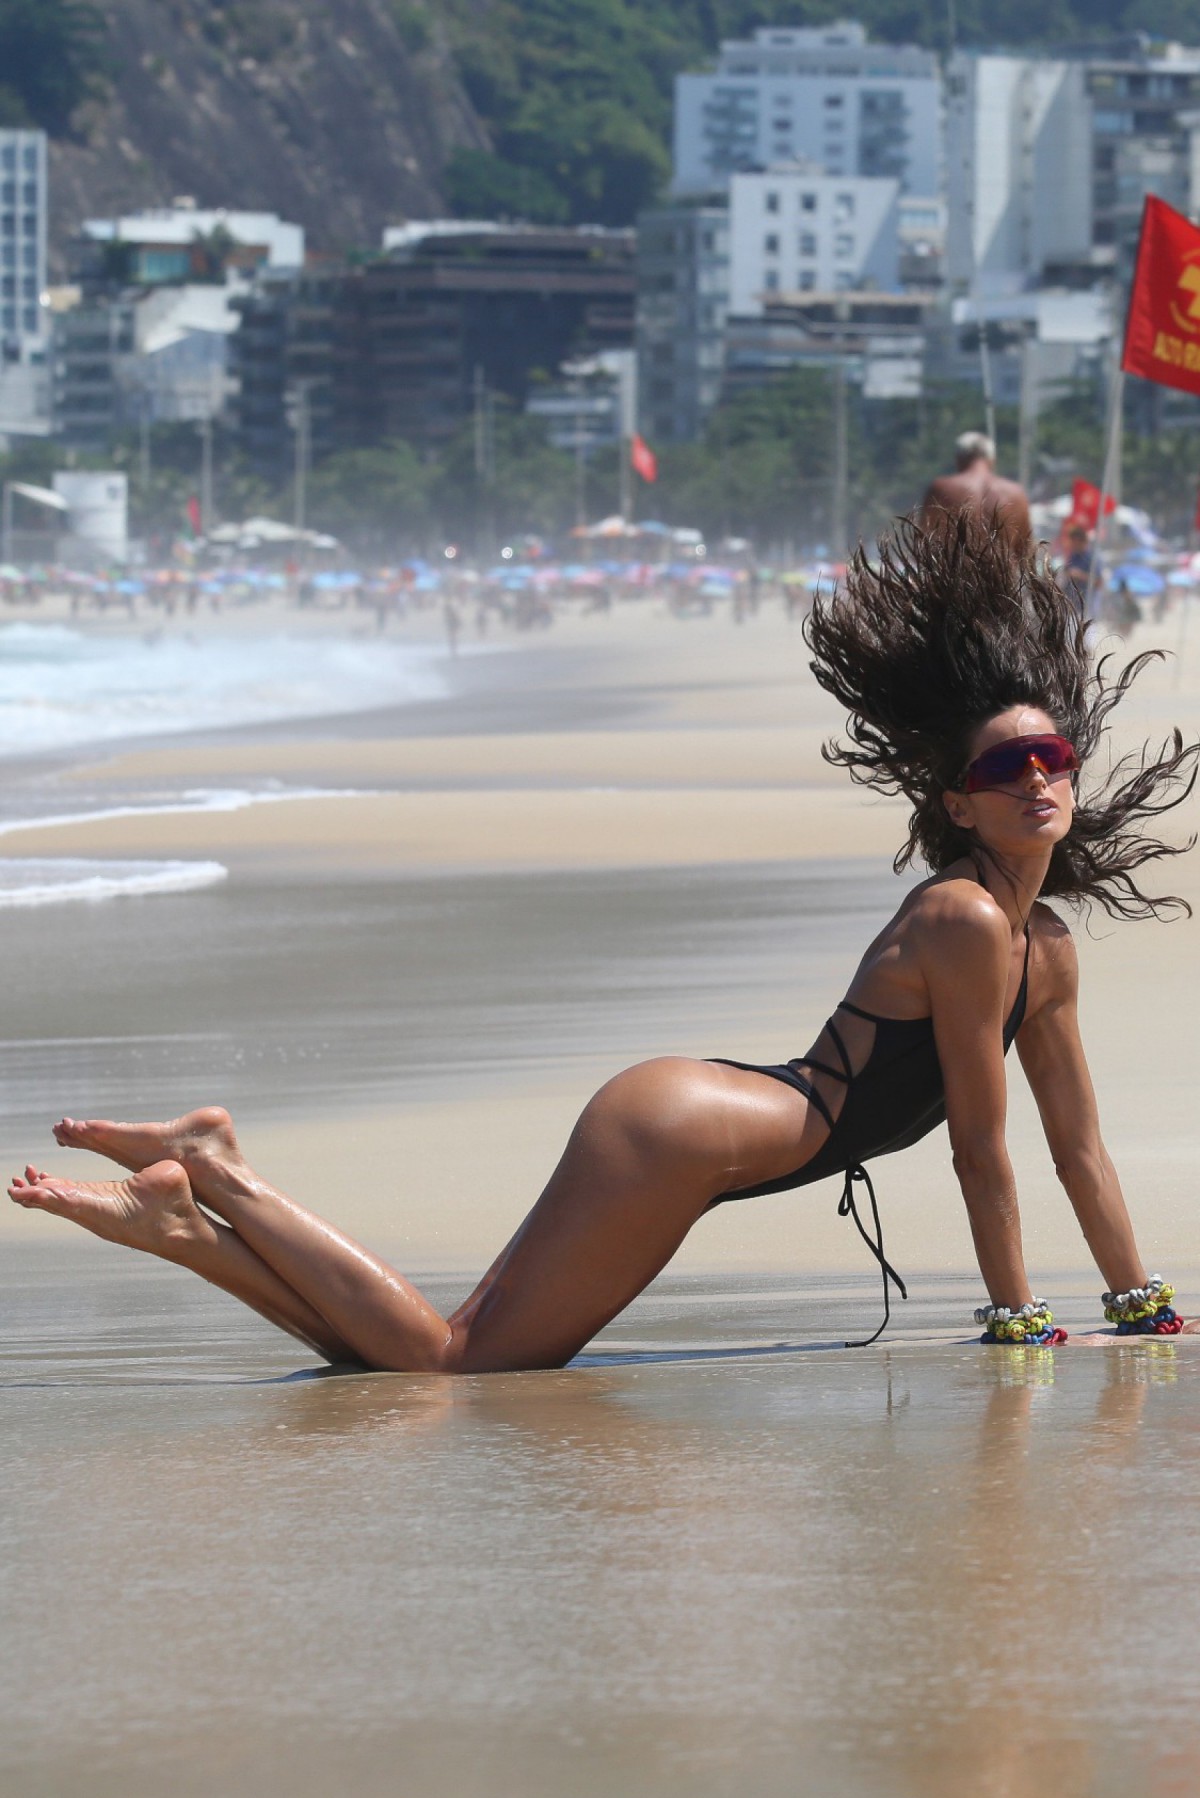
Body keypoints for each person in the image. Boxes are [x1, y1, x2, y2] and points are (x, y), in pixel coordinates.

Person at [9, 519, 1196, 1367]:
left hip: (706, 1128)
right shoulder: (964, 919)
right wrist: (1015, 1321)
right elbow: (982, 1154)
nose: (1036, 780)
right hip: (680, 1136)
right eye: (1004, 766)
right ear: (955, 803)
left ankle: (194, 1212)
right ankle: (221, 1178)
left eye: (1053, 760)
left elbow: (1075, 1149)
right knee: (457, 1360)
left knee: (431, 1358)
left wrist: (1137, 1301)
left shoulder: (1047, 944)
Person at [921, 431, 1033, 557]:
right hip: (1002, 575)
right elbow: (1025, 553)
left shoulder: (941, 488)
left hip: (955, 575)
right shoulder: (1016, 493)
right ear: (992, 460)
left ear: (958, 459)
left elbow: (923, 543)